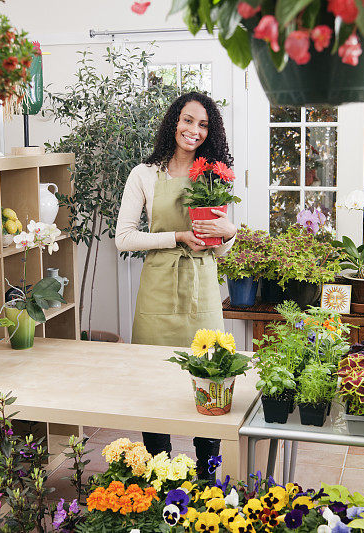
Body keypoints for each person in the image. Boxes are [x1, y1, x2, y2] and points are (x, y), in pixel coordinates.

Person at [115, 92, 237, 481]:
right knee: (155, 385)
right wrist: (178, 236)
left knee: (210, 382)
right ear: (174, 122)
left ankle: (206, 477)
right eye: (188, 121)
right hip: (159, 288)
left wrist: (230, 232)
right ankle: (160, 474)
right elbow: (124, 238)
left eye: (203, 125)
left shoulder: (213, 176)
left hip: (202, 289)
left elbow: (223, 249)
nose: (194, 131)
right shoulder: (144, 174)